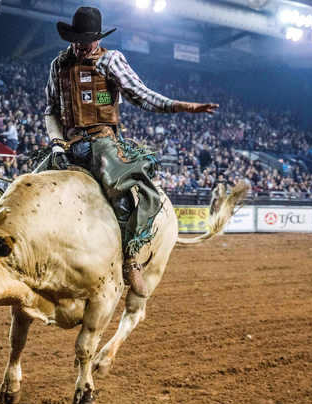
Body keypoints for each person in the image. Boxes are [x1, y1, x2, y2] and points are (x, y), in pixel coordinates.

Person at [37, 6, 218, 298]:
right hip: (67, 143)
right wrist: (56, 142)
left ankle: (130, 259)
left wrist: (181, 106)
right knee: (28, 183)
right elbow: (51, 109)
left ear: (96, 39)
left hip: (102, 141)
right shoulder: (58, 64)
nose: (81, 46)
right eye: (77, 40)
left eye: (86, 40)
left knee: (122, 191)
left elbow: (141, 95)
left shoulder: (111, 61)